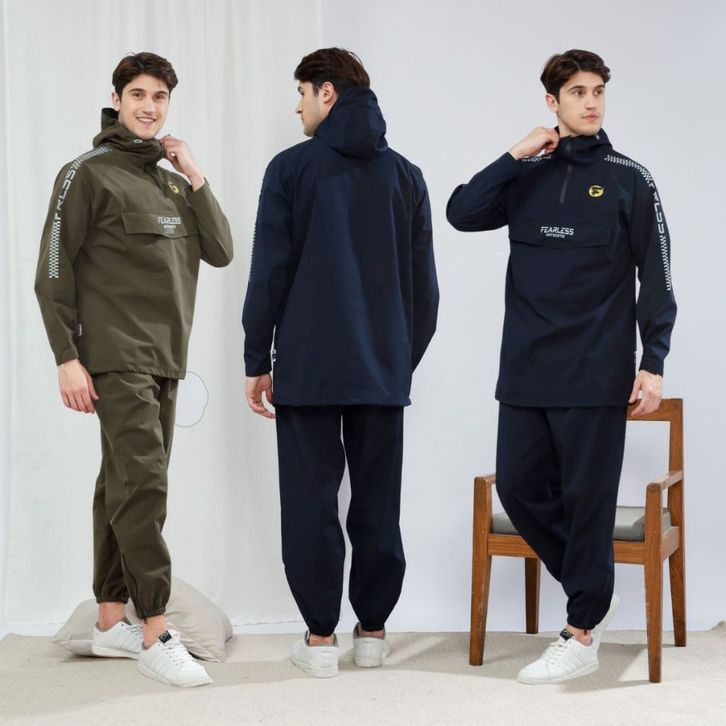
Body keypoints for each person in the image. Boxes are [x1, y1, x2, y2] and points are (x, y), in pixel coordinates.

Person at [447, 49, 676, 684]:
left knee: (587, 501)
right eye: (577, 91)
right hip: (526, 370)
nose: (591, 102)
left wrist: (653, 361)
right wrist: (515, 153)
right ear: (552, 102)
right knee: (520, 489)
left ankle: (581, 631)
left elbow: (657, 277)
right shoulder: (526, 176)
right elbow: (462, 213)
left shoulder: (631, 179)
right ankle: (591, 593)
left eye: (598, 90)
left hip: (598, 371)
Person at [34, 52, 233, 687]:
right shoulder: (85, 172)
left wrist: (194, 172)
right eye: (139, 94)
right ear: (116, 99)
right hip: (114, 356)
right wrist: (67, 357)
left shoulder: (172, 182)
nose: (150, 107)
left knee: (121, 483)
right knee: (145, 484)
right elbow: (52, 272)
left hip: (166, 358)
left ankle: (108, 618)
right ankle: (154, 630)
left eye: (160, 97)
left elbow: (222, 250)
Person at [242, 47, 438, 678]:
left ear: (327, 93)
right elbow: (425, 292)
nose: (296, 107)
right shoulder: (406, 176)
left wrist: (257, 356)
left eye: (301, 93)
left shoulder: (290, 169)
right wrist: (398, 361)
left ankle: (321, 638)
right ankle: (373, 632)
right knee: (378, 504)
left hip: (308, 370)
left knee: (310, 504)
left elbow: (269, 272)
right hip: (381, 372)